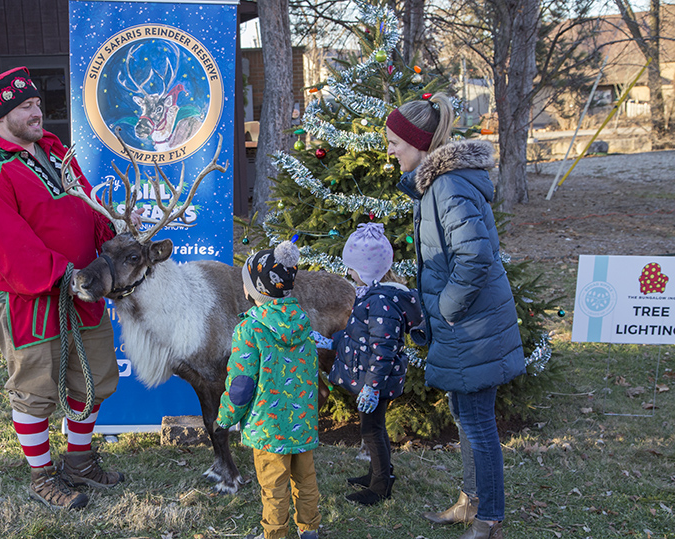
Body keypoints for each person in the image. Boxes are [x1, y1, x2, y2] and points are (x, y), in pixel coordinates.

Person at [0, 66, 124, 510]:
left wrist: (109, 234)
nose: (38, 113)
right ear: (2, 116)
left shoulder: (53, 151)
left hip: (83, 284)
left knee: (91, 377)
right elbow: (10, 246)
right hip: (28, 297)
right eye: (26, 107)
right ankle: (41, 476)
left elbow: (86, 204)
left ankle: (79, 463)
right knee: (35, 390)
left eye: (37, 104)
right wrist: (66, 276)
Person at [386, 93, 525, 539]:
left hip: (473, 324)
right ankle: (471, 503)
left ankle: (490, 519)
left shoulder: (447, 186)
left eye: (394, 143)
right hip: (464, 324)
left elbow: (475, 257)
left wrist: (444, 310)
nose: (390, 151)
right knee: (465, 416)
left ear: (419, 142)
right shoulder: (436, 184)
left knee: (479, 424)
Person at [215, 240, 321, 539]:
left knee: (274, 489)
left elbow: (241, 384)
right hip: (302, 424)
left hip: (268, 428)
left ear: (254, 289)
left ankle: (274, 535)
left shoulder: (250, 329)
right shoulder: (302, 322)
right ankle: (309, 530)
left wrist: (225, 417)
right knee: (306, 480)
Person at [317, 223, 422, 506]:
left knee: (371, 430)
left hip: (375, 380)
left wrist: (372, 388)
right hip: (370, 378)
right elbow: (357, 337)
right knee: (375, 428)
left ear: (367, 270)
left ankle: (380, 487)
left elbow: (383, 349)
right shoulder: (371, 297)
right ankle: (379, 472)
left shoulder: (381, 304)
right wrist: (330, 342)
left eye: (352, 268)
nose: (348, 273)